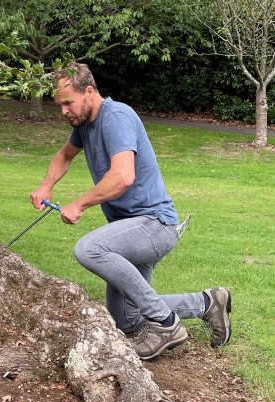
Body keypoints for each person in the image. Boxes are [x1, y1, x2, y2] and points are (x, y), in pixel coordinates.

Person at [30, 63, 231, 361]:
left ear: (89, 92)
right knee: (125, 318)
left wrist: (80, 203)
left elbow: (123, 177)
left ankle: (166, 325)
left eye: (68, 103)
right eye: (59, 105)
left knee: (89, 249)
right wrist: (46, 185)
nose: (63, 112)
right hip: (132, 231)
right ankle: (207, 303)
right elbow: (64, 155)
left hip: (154, 225)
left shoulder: (116, 117)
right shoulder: (84, 125)